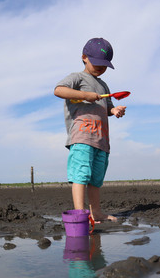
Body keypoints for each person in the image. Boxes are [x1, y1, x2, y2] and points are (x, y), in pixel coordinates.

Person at [54, 37, 126, 223]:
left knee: (96, 179)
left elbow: (107, 105)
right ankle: (80, 214)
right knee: (81, 174)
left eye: (104, 65)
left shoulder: (103, 86)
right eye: (97, 63)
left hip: (101, 140)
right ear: (84, 57)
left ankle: (97, 213)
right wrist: (85, 95)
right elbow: (59, 90)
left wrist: (114, 110)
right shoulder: (77, 78)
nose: (101, 68)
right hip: (82, 136)